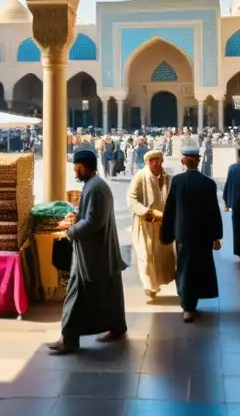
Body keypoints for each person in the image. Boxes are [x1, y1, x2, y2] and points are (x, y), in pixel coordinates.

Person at [48, 149, 128, 355]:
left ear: (84, 165)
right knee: (109, 292)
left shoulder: (94, 188)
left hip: (92, 254)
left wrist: (70, 232)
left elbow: (93, 221)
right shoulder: (94, 185)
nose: (75, 170)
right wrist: (74, 213)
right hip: (99, 252)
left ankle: (69, 339)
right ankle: (118, 327)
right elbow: (89, 213)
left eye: (76, 166)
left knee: (75, 294)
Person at [160, 147, 222, 322]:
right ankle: (190, 306)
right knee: (199, 268)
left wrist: (166, 233)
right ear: (199, 161)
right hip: (203, 234)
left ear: (183, 161)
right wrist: (217, 237)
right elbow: (213, 212)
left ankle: (188, 305)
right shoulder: (208, 183)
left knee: (185, 267)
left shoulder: (177, 181)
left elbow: (169, 209)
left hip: (183, 234)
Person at [127, 149, 176, 300]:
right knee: (144, 255)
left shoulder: (168, 178)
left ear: (162, 161)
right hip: (144, 224)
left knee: (162, 255)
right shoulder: (140, 177)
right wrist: (146, 212)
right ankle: (149, 286)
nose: (154, 163)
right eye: (151, 161)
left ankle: (157, 282)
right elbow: (131, 199)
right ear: (147, 162)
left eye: (157, 160)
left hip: (163, 224)